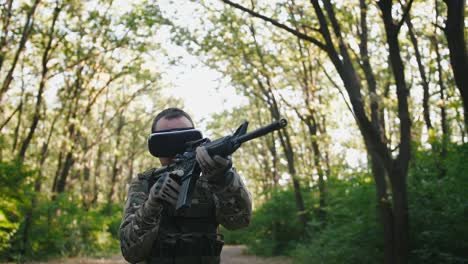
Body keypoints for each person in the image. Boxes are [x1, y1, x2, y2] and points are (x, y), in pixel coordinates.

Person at [119, 108, 252, 264]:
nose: (176, 151)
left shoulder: (213, 180)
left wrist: (224, 179)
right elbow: (130, 252)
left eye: (184, 140)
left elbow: (239, 222)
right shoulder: (145, 183)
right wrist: (152, 205)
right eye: (166, 143)